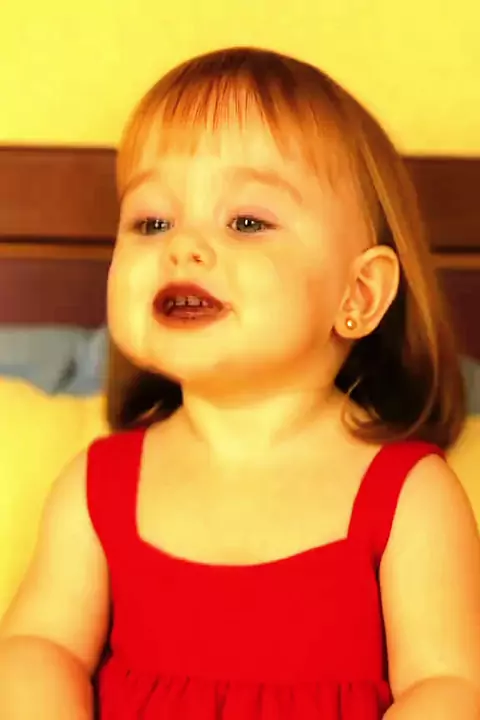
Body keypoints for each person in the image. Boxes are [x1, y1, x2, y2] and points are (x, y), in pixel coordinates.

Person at [1, 46, 480, 720]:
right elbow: (37, 645)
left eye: (247, 222)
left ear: (359, 294)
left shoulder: (409, 495)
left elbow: (450, 686)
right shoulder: (98, 483)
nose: (182, 247)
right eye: (152, 222)